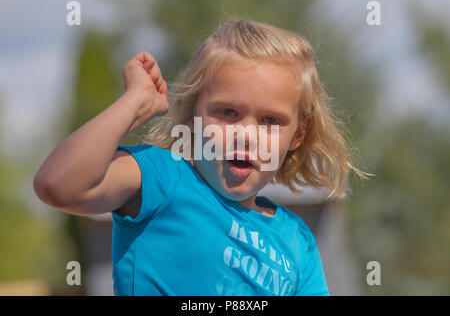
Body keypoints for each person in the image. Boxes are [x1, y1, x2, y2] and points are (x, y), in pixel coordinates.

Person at [34, 19, 369, 296]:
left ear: (298, 134)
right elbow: (58, 185)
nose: (245, 134)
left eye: (270, 121)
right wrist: (134, 103)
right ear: (195, 114)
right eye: (228, 112)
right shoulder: (162, 177)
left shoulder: (297, 241)